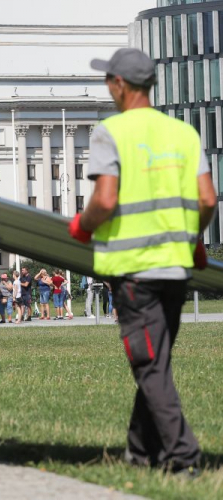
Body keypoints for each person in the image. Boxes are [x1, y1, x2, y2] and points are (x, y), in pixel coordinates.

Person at [69, 48, 217, 476]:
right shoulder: (184, 133)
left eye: (107, 81)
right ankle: (140, 451)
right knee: (154, 360)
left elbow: (106, 199)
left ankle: (185, 458)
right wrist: (192, 239)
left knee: (150, 363)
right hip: (175, 267)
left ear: (119, 84)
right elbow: (207, 199)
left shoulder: (110, 132)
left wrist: (83, 225)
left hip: (133, 270)